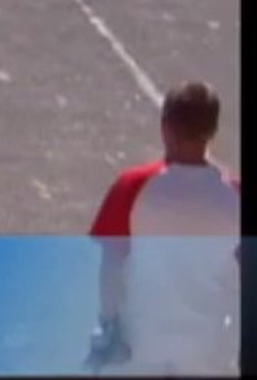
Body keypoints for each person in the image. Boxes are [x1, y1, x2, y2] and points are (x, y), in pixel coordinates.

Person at [87, 81, 239, 376]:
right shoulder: (236, 197)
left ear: (166, 126)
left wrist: (107, 324)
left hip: (141, 348)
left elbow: (111, 268)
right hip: (209, 353)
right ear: (213, 130)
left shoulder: (132, 187)